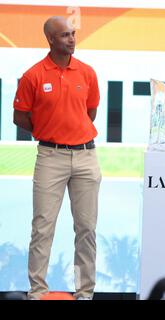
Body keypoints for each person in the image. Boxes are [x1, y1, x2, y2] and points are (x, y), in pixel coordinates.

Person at [13, 16, 101, 300]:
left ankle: (84, 291)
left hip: (86, 156)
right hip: (50, 156)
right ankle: (38, 291)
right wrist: (49, 131)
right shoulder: (33, 75)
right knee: (42, 227)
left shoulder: (87, 72)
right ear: (50, 39)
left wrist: (74, 132)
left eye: (73, 34)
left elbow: (90, 112)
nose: (72, 39)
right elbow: (20, 117)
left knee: (86, 229)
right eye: (65, 35)